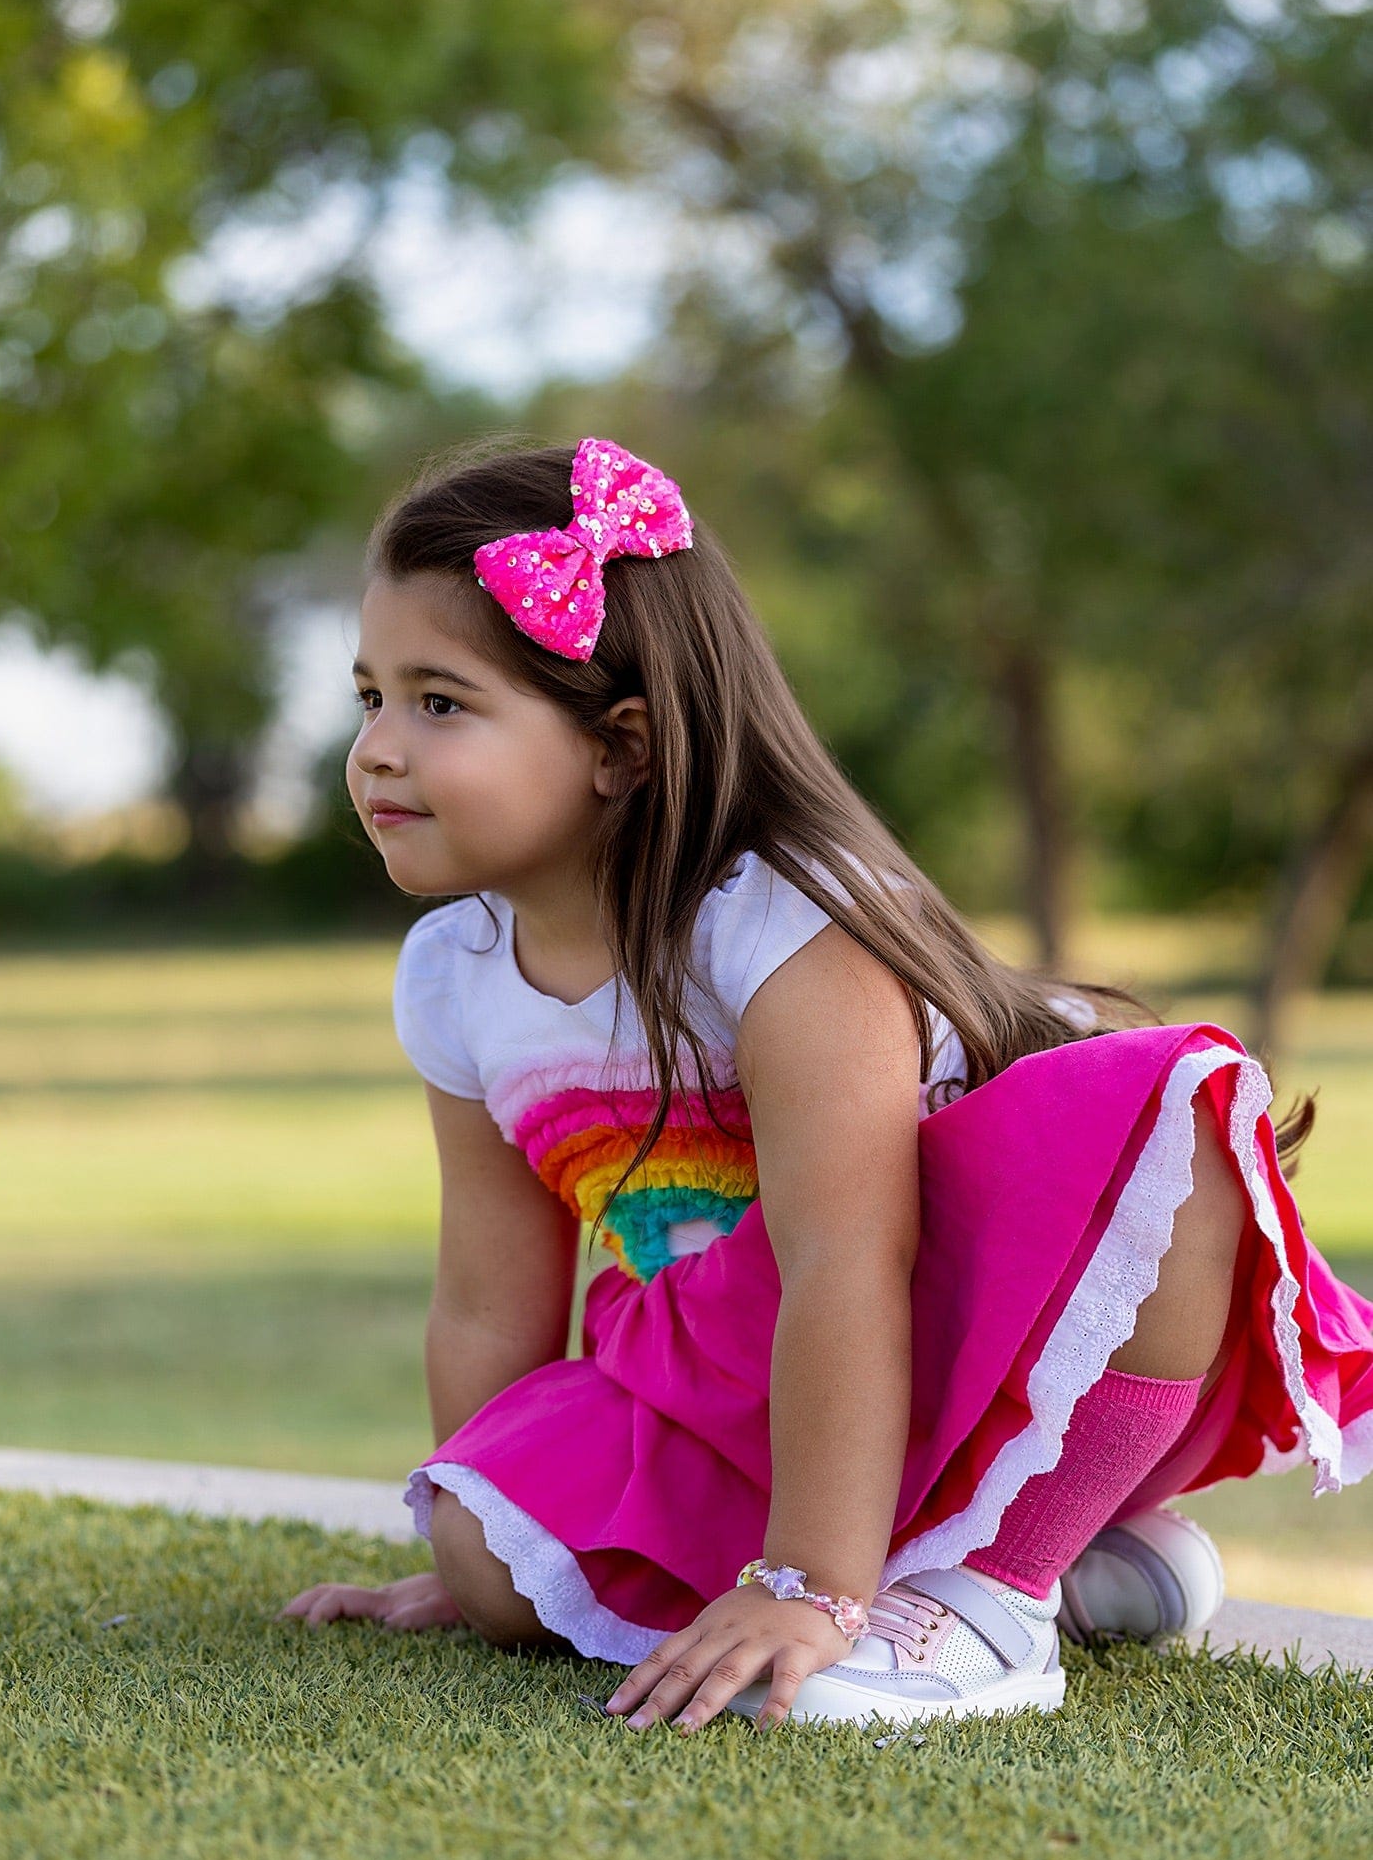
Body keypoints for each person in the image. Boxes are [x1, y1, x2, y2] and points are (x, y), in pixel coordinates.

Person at [280, 435, 1373, 1734]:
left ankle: (996, 1580)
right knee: (484, 1547)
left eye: (440, 704)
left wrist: (806, 1585)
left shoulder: (783, 923)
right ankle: (1061, 1559)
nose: (376, 750)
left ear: (621, 746)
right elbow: (485, 1304)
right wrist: (472, 1537)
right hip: (720, 1386)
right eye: (370, 697)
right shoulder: (453, 976)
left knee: (1173, 1118)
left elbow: (848, 1256)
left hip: (954, 1327)